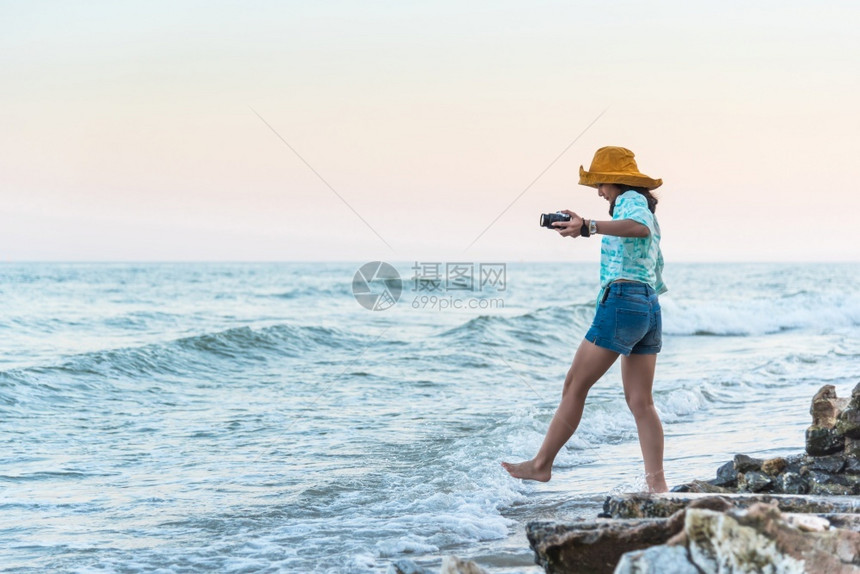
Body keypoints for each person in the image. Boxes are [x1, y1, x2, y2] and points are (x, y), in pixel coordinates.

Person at [502, 146, 669, 493]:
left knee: (575, 386)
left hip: (624, 301)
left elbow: (638, 228)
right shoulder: (635, 204)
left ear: (615, 181)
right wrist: (583, 226)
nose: (599, 192)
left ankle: (541, 464)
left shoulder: (630, 202)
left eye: (601, 184)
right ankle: (657, 486)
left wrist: (589, 226)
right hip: (647, 305)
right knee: (641, 402)